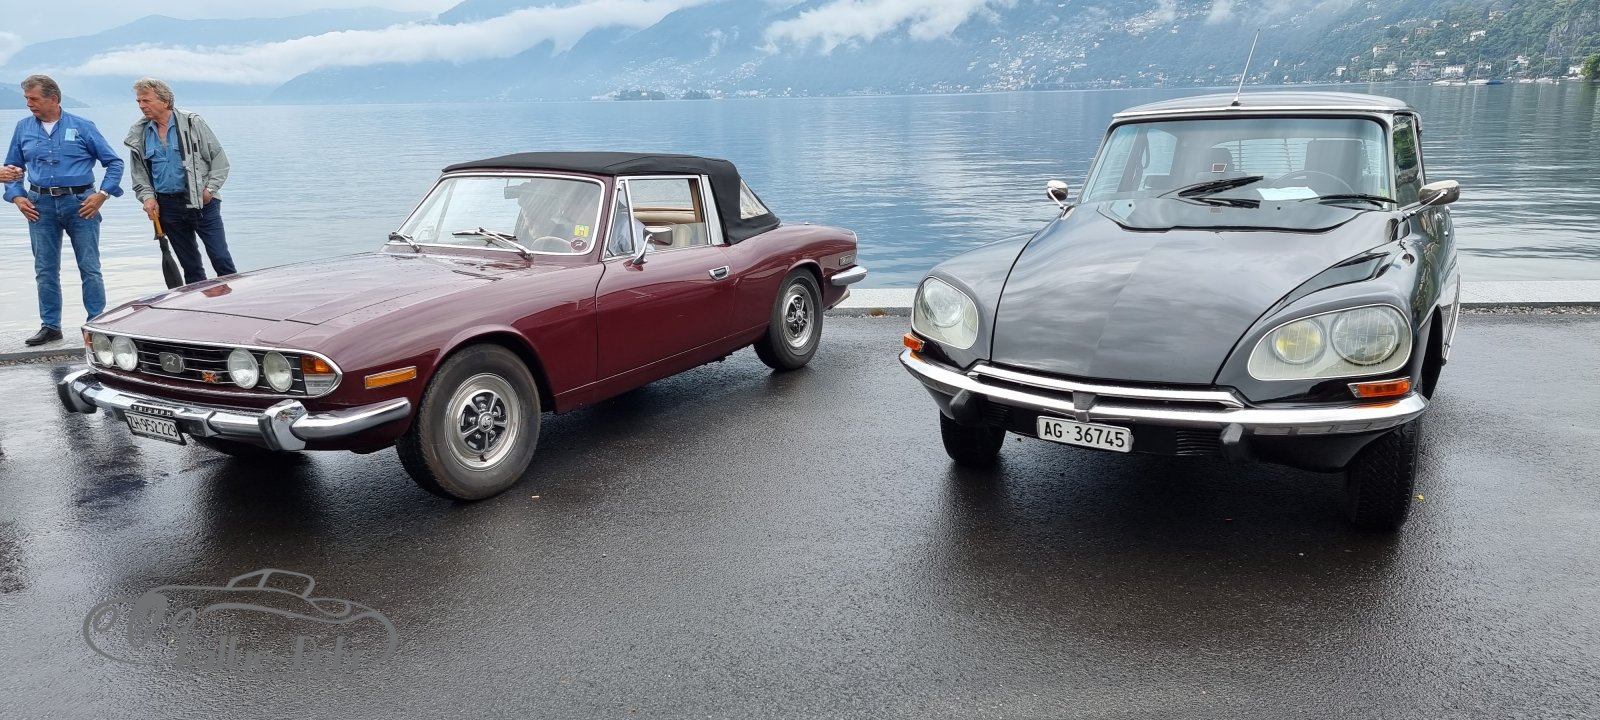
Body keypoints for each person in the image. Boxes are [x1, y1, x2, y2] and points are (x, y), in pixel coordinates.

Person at [2, 75, 124, 346]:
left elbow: (114, 163)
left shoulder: (83, 126)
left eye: (34, 98)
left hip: (81, 203)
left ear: (53, 99)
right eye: (26, 98)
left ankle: (96, 325)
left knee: (89, 266)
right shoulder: (22, 128)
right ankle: (50, 327)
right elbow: (12, 168)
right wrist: (18, 197)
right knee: (44, 269)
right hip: (39, 205)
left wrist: (102, 195)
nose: (28, 104)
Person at [124, 77, 234, 285]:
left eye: (146, 100)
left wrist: (210, 189)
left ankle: (235, 301)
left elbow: (219, 160)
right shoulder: (139, 133)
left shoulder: (192, 122)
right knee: (190, 267)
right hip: (168, 207)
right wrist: (147, 197)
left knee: (221, 259)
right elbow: (139, 174)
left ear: (165, 101)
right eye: (139, 101)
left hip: (202, 203)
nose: (141, 106)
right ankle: (199, 304)